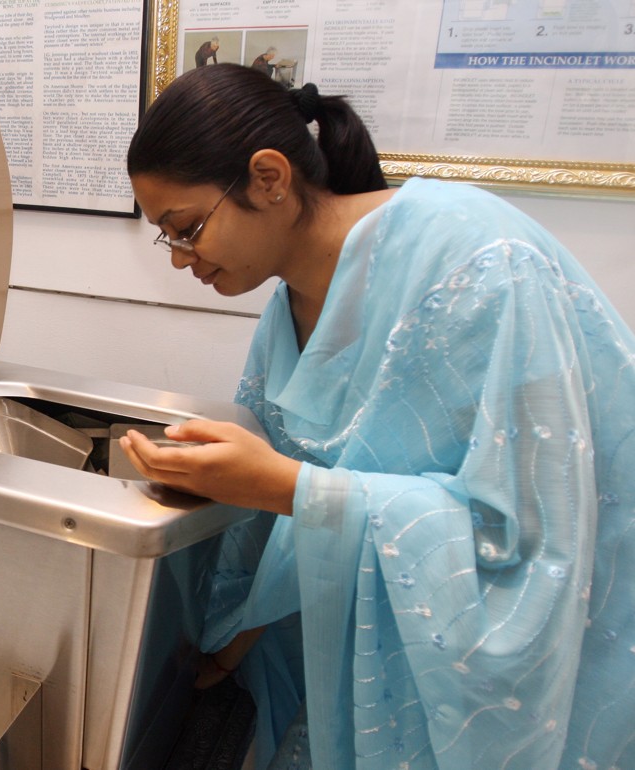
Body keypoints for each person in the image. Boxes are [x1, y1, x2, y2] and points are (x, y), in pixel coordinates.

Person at [121, 63, 635, 770]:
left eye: (187, 229)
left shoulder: (481, 262)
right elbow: (306, 496)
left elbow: (523, 541)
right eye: (166, 239)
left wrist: (284, 487)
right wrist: (235, 630)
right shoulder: (289, 304)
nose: (181, 259)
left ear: (269, 178)